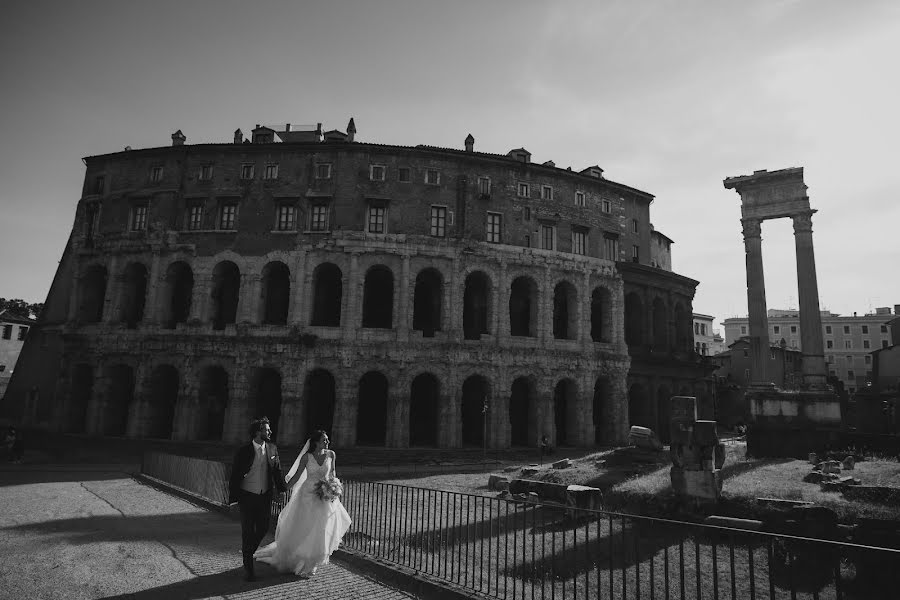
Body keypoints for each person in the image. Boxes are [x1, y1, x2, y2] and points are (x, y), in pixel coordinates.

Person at [254, 430, 352, 578]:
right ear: (315, 442)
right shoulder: (307, 457)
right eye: (324, 440)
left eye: (327, 440)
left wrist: (334, 488)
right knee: (305, 528)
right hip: (307, 495)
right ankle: (300, 560)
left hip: (325, 497)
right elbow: (296, 477)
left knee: (321, 529)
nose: (327, 442)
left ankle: (311, 562)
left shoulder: (331, 454)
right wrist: (283, 489)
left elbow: (333, 474)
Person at [229, 417, 287, 582]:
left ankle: (247, 552)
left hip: (264, 496)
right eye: (266, 430)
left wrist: (281, 490)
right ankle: (249, 569)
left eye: (269, 430)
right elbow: (234, 477)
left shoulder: (272, 448)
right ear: (257, 432)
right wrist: (233, 500)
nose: (269, 432)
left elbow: (277, 472)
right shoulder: (244, 451)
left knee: (262, 528)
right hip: (247, 496)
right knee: (247, 531)